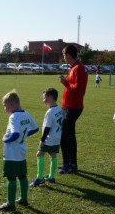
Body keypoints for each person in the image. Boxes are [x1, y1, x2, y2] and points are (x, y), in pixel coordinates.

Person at [0, 90, 39, 211]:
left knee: (11, 178)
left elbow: (15, 134)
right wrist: (25, 135)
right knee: (22, 176)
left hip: (12, 153)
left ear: (12, 104)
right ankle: (23, 199)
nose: (5, 108)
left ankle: (10, 204)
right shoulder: (26, 114)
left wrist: (6, 139)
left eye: (5, 105)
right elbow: (36, 128)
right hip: (22, 151)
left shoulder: (13, 116)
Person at [58, 44, 88, 174]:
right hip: (67, 106)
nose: (63, 58)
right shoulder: (74, 68)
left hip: (73, 107)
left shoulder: (78, 68)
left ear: (68, 55)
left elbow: (78, 89)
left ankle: (67, 164)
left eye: (64, 55)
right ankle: (71, 163)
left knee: (65, 137)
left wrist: (65, 82)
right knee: (69, 136)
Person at [30, 88, 63, 187]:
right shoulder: (59, 109)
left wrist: (42, 140)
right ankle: (52, 177)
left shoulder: (50, 112)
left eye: (44, 98)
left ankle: (39, 178)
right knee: (53, 155)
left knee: (39, 154)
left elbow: (47, 128)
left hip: (49, 138)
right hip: (57, 138)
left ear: (51, 97)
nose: (43, 100)